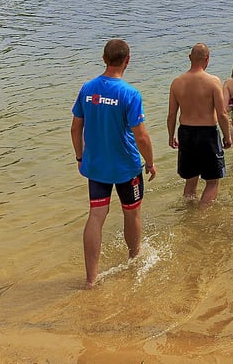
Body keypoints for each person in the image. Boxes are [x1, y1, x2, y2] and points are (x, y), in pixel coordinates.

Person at [71, 39, 156, 290]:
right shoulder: (130, 94)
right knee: (132, 213)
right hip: (126, 167)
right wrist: (150, 162)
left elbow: (76, 127)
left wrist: (80, 156)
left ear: (104, 58)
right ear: (127, 60)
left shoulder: (87, 89)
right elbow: (140, 135)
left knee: (96, 216)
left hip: (96, 166)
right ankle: (134, 259)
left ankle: (91, 279)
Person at [168, 43, 231, 208]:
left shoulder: (177, 82)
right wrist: (227, 136)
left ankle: (189, 214)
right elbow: (222, 113)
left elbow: (172, 115)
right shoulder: (213, 81)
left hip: (185, 133)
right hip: (207, 134)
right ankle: (201, 219)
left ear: (190, 58)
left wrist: (170, 136)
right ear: (207, 59)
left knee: (190, 179)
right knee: (212, 182)